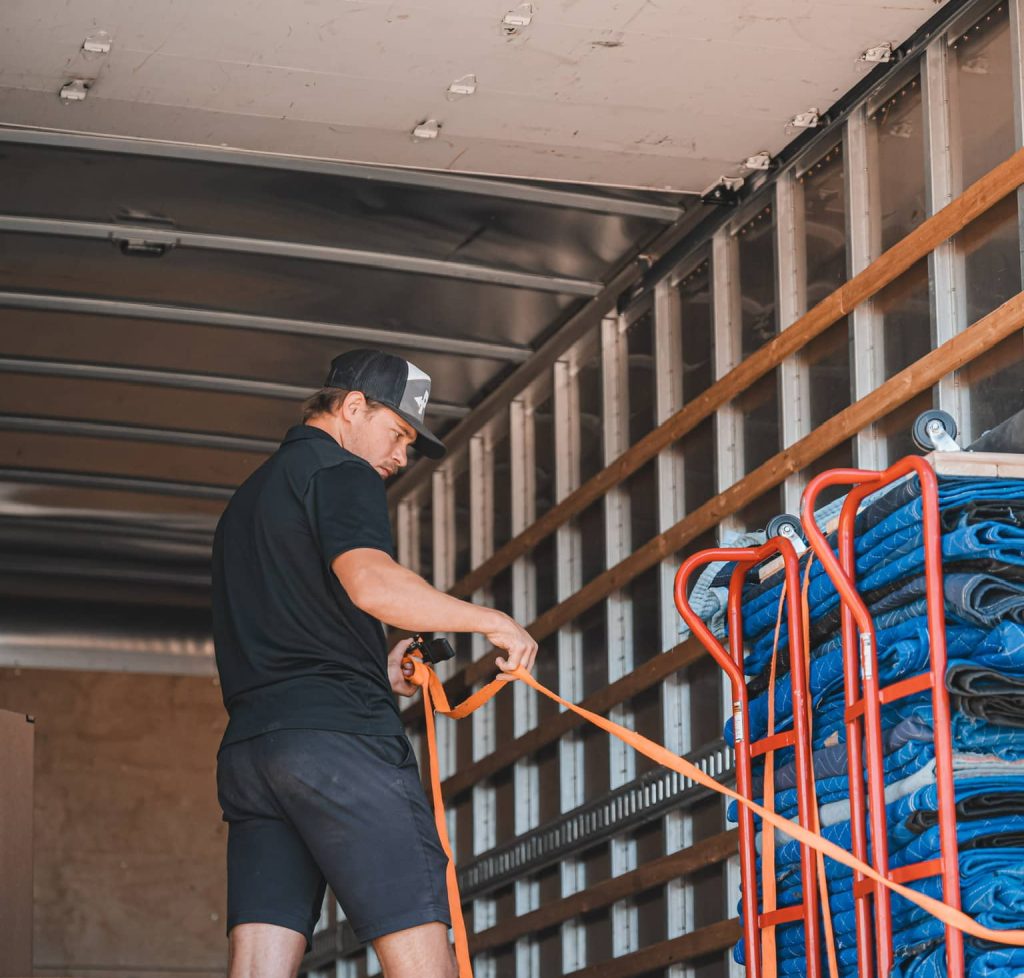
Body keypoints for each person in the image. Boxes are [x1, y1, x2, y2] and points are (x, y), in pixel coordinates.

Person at [212, 349, 538, 978]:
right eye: (397, 433)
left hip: (254, 755)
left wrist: (371, 664)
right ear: (352, 407)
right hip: (339, 746)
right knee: (420, 953)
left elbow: (291, 621)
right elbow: (372, 584)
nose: (400, 457)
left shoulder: (247, 500)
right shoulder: (341, 471)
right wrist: (491, 620)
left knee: (258, 963)